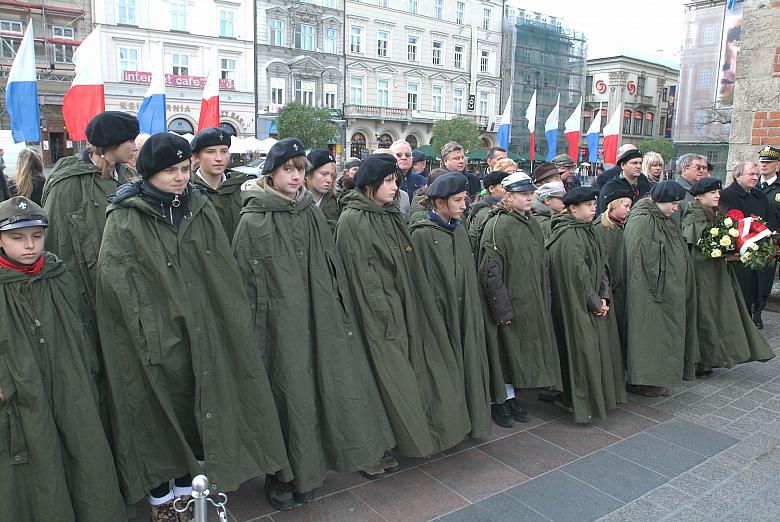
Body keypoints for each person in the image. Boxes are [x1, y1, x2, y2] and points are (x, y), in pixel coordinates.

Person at [95, 132, 290, 518]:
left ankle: (187, 491)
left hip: (203, 328)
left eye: (184, 168)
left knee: (194, 412)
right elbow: (116, 282)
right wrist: (146, 328)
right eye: (170, 170)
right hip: (153, 334)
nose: (180, 177)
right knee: (154, 413)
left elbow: (221, 270)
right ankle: (160, 499)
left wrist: (228, 319)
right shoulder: (125, 217)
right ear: (149, 172)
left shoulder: (199, 207)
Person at [233, 137, 396, 500]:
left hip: (317, 318)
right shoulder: (253, 219)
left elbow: (328, 266)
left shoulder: (309, 212)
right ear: (271, 173)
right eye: (287, 169)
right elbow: (245, 282)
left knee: (316, 394)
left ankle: (308, 473)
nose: (295, 176)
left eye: (299, 170)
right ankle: (281, 475)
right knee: (284, 395)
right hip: (275, 324)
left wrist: (335, 313)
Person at [335, 154, 471, 458]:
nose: (394, 186)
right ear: (369, 184)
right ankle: (381, 449)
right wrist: (387, 315)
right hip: (379, 320)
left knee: (424, 375)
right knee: (388, 381)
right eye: (387, 181)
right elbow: (362, 279)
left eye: (395, 180)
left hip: (406, 309)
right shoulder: (353, 220)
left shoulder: (391, 213)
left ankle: (427, 436)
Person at [0, 196, 126, 521]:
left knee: (84, 450)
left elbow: (81, 322)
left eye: (36, 236)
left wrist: (88, 366)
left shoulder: (57, 273)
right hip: (20, 388)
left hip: (71, 379)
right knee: (37, 460)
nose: (29, 245)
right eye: (17, 237)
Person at [409, 172, 492, 440]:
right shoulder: (421, 236)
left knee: (468, 366)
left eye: (464, 199)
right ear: (439, 202)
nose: (463, 205)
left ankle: (471, 421)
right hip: (438, 317)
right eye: (457, 200)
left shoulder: (458, 230)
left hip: (464, 313)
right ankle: (447, 429)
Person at [478, 172, 562, 427]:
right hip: (509, 300)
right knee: (504, 351)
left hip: (530, 298)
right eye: (524, 194)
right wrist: (502, 309)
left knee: (519, 351)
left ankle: (511, 395)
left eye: (530, 193)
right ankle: (499, 400)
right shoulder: (497, 225)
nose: (530, 198)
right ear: (509, 196)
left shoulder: (531, 222)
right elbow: (491, 271)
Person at [41, 111, 138, 309]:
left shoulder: (127, 176)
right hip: (87, 286)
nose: (135, 147)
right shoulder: (68, 184)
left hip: (126, 278)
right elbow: (56, 241)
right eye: (130, 140)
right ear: (112, 143)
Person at [546, 187, 626, 422]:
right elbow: (577, 274)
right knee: (582, 351)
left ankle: (596, 398)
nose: (594, 209)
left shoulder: (587, 230)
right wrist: (595, 302)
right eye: (588, 205)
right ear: (573, 208)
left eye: (594, 204)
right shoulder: (569, 235)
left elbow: (601, 265)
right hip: (577, 306)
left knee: (596, 351)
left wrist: (603, 296)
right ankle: (580, 401)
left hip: (593, 303)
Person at [681, 177, 775, 375]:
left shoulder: (717, 214)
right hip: (702, 277)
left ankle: (710, 358)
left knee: (715, 314)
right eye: (712, 193)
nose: (717, 196)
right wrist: (724, 254)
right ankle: (699, 360)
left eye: (718, 192)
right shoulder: (695, 216)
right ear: (699, 196)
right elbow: (696, 250)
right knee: (703, 314)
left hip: (718, 274)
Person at [623, 180, 698, 397]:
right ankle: (644, 379)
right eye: (672, 204)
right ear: (660, 200)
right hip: (649, 292)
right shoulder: (642, 220)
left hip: (665, 289)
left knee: (663, 336)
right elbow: (637, 260)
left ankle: (657, 377)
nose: (676, 208)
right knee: (648, 336)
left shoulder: (664, 218)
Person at [719, 161, 775, 329]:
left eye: (756, 175)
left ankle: (756, 313)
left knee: (761, 284)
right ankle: (741, 318)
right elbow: (733, 222)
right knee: (743, 287)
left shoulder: (759, 195)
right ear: (738, 175)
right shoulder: (727, 195)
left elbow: (771, 217)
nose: (755, 177)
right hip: (740, 250)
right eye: (751, 174)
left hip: (760, 248)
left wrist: (766, 233)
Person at [191, 127, 255, 241]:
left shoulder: (243, 188)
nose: (219, 158)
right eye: (210, 152)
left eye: (224, 151)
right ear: (196, 157)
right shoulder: (187, 191)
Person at [594, 185, 635, 362]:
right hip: (610, 288)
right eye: (625, 205)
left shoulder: (626, 226)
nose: (629, 209)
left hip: (625, 286)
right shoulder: (601, 228)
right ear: (613, 205)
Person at [757, 145, 780, 327]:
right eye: (762, 162)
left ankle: (758, 312)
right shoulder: (752, 184)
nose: (763, 165)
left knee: (766, 278)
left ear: (777, 164)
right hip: (751, 240)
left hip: (773, 242)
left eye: (768, 162)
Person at [598, 149, 652, 214]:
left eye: (640, 163)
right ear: (623, 165)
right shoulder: (611, 187)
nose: (638, 166)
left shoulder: (644, 186)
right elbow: (603, 215)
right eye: (634, 163)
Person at [466, 170, 509, 249]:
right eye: (504, 187)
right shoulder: (484, 212)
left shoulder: (502, 207)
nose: (509, 190)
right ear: (491, 189)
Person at [304, 149, 340, 233]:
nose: (329, 180)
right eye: (324, 174)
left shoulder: (338, 203)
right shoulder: (295, 202)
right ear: (307, 174)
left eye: (332, 175)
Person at [391, 140, 426, 209]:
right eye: (399, 155)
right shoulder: (386, 181)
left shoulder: (422, 181)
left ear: (412, 158)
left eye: (408, 155)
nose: (404, 158)